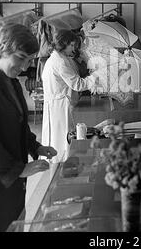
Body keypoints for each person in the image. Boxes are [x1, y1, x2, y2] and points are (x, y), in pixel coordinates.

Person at [0, 23, 57, 232]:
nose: (24, 67)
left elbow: (19, 124)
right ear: (3, 47)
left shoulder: (12, 82)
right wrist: (19, 169)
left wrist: (35, 147)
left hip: (13, 183)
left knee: (15, 222)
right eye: (20, 58)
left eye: (29, 61)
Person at [41, 29, 102, 159]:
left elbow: (75, 76)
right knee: (62, 141)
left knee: (62, 139)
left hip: (60, 102)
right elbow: (77, 84)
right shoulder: (60, 62)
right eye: (72, 45)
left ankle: (63, 164)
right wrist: (96, 76)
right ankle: (61, 168)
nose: (74, 49)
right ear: (63, 43)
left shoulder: (62, 58)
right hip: (59, 105)